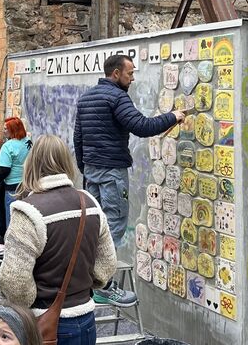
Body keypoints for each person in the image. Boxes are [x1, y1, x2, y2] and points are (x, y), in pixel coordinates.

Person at [73, 54, 183, 307]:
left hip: (92, 170)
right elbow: (141, 126)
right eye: (130, 73)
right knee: (114, 224)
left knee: (94, 224)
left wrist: (85, 168)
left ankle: (87, 278)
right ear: (116, 74)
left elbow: (77, 137)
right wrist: (173, 116)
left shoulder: (86, 97)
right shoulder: (116, 97)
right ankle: (102, 285)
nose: (132, 78)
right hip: (112, 171)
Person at [0, 135, 116, 345]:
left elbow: (15, 284)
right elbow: (106, 267)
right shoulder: (90, 203)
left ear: (31, 164)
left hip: (45, 325)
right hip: (87, 320)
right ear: (66, 163)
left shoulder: (27, 211)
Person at [0, 117, 32, 229]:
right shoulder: (28, 142)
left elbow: (5, 170)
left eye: (6, 129)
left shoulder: (7, 146)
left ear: (13, 130)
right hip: (28, 186)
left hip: (13, 189)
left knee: (12, 221)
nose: (3, 131)